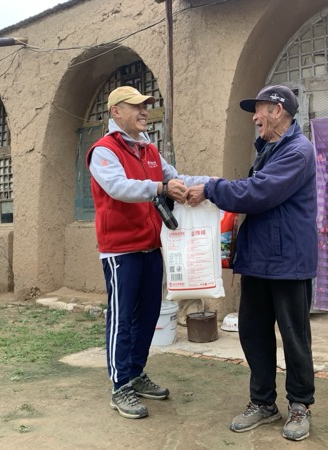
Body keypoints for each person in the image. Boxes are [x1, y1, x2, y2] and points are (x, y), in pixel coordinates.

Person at [185, 85, 317, 441]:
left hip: (288, 261)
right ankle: (263, 403)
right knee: (253, 333)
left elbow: (259, 192)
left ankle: (300, 404)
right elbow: (253, 191)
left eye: (259, 110)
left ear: (277, 110)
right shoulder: (269, 151)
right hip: (260, 259)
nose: (255, 118)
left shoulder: (297, 151)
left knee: (294, 337)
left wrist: (211, 188)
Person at [86, 85, 210, 419]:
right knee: (122, 319)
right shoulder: (104, 151)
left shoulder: (149, 149)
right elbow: (118, 187)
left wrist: (213, 184)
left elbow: (176, 178)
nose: (144, 111)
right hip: (120, 251)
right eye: (136, 106)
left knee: (148, 315)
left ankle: (136, 373)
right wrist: (159, 187)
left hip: (151, 247)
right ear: (116, 112)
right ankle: (119, 386)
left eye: (146, 106)